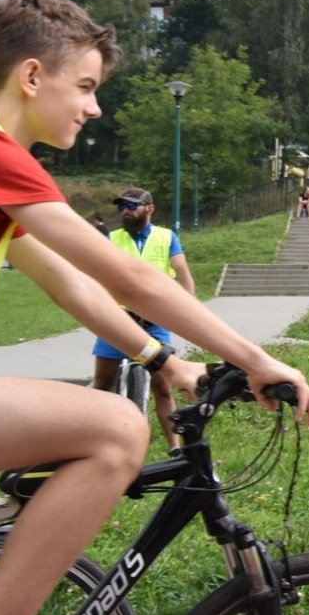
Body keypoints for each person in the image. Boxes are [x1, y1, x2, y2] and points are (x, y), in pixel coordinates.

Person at [0, 0, 309, 615]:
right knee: (116, 429)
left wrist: (165, 360)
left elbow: (74, 286)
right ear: (31, 76)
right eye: (85, 86)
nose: (94, 107)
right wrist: (255, 357)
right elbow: (128, 279)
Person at [89, 187, 196, 451]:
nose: (125, 211)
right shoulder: (112, 237)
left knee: (163, 388)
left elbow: (182, 270)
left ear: (149, 208)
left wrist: (189, 306)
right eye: (121, 207)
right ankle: (89, 440)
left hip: (154, 321)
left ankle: (175, 448)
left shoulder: (166, 237)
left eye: (131, 206)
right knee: (102, 382)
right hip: (117, 319)